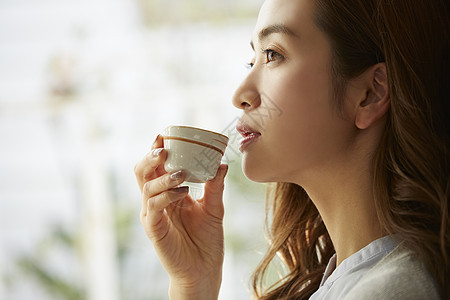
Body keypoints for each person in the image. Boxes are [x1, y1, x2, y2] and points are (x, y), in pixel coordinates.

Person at [134, 0, 449, 299]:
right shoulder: (350, 278)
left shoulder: (392, 290)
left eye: (273, 54)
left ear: (370, 93)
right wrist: (193, 283)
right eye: (252, 59)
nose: (240, 94)